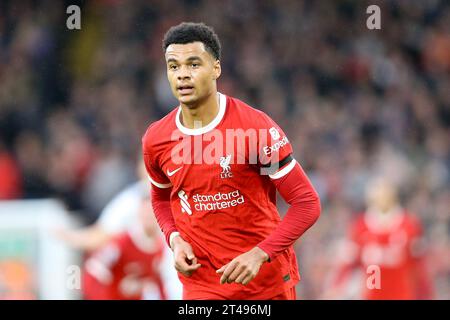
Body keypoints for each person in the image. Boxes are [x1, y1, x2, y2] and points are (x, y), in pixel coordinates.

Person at [142, 22, 321, 300]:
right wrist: (174, 239)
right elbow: (161, 199)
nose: (183, 76)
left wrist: (260, 254)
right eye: (174, 66)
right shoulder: (157, 139)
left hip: (265, 285)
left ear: (216, 68)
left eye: (193, 64)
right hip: (202, 285)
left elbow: (306, 203)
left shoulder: (254, 131)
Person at [324, 177, 434, 300]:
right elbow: (348, 262)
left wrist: (426, 293)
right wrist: (336, 287)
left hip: (401, 295)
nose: (382, 198)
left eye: (385, 193)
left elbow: (420, 266)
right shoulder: (360, 227)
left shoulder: (409, 226)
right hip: (371, 295)